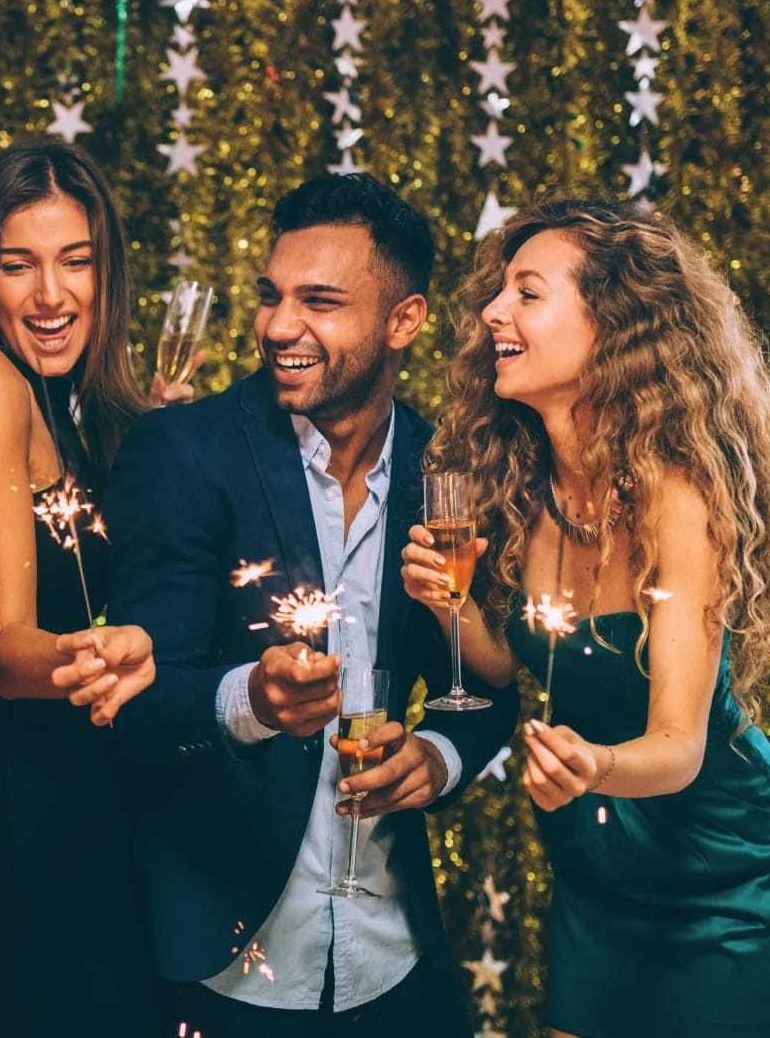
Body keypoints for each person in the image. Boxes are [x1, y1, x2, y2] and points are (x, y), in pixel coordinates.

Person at [102, 173, 518, 1036]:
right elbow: (137, 695)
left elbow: (485, 680)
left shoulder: (451, 472)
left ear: (404, 320)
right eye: (271, 296)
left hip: (396, 958)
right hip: (230, 966)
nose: (279, 327)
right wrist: (250, 701)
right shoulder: (182, 452)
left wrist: (435, 757)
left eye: (319, 302)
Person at [399, 199, 770, 1038]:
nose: (493, 313)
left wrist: (589, 765)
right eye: (498, 295)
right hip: (600, 868)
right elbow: (498, 667)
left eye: (528, 293)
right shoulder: (519, 486)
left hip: (728, 875)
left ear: (614, 326)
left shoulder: (681, 499)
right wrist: (450, 607)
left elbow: (678, 745)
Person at [0, 141, 160, 1036]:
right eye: (20, 265)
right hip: (29, 830)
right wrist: (105, 654)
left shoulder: (63, 404)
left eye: (75, 261)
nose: (52, 295)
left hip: (79, 816)